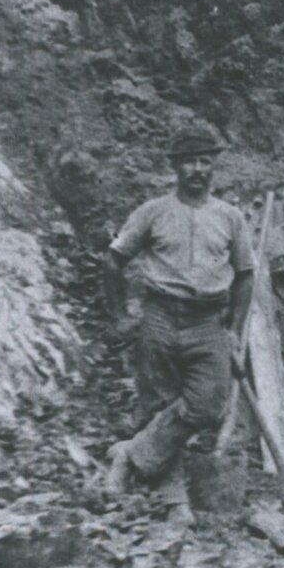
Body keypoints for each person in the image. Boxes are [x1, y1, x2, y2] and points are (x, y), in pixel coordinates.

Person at [103, 126, 256, 530]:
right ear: (175, 167)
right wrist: (120, 316)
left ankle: (130, 454)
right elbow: (114, 259)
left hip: (208, 322)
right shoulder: (152, 211)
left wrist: (235, 329)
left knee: (209, 403)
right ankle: (174, 502)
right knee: (158, 403)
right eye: (190, 161)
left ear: (214, 168)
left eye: (206, 161)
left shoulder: (230, 217)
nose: (198, 169)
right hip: (160, 317)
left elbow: (245, 275)